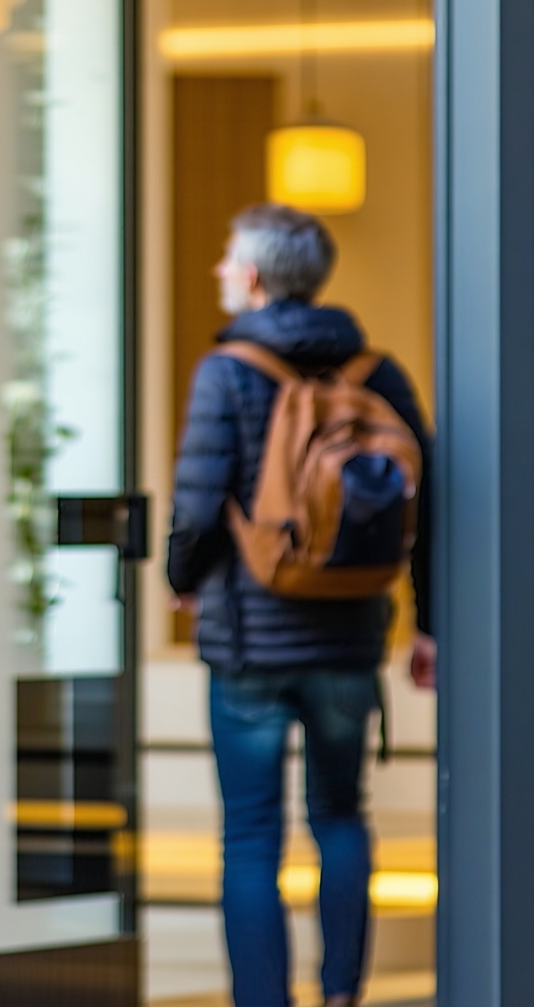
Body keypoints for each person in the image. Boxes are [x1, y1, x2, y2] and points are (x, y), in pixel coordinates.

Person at [167, 203, 434, 1007]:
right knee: (342, 816)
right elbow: (428, 503)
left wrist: (183, 577)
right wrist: (428, 623)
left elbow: (197, 499)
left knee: (250, 836)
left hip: (249, 642)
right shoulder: (377, 373)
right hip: (350, 638)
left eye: (225, 260)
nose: (219, 272)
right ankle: (343, 993)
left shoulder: (227, 371)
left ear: (251, 276)